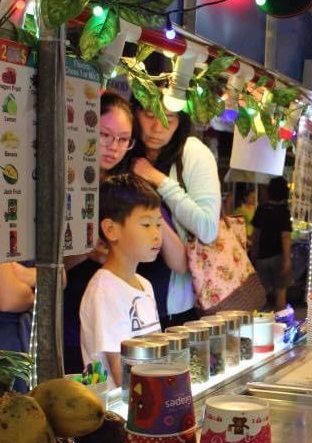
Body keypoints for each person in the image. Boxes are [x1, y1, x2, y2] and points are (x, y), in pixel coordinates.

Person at [63, 91, 185, 372]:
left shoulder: (127, 190)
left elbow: (178, 259)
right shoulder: (66, 185)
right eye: (105, 135)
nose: (113, 146)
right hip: (75, 317)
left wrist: (152, 212)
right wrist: (86, 251)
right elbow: (50, 266)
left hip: (126, 317)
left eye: (123, 139)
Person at [130, 100, 221, 329]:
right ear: (135, 113)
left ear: (180, 121)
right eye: (150, 115)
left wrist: (159, 180)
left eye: (168, 119)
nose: (158, 127)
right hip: (129, 298)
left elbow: (207, 228)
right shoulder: (126, 149)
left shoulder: (192, 152)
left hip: (176, 307)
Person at [80, 175, 162, 389]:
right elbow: (123, 375)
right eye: (146, 224)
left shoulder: (144, 284)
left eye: (158, 224)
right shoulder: (104, 290)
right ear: (110, 229)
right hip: (121, 411)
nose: (156, 235)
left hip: (150, 399)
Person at [251, 176, 292, 312]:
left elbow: (255, 234)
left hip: (261, 258)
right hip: (278, 257)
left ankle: (263, 324)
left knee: (262, 293)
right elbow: (285, 236)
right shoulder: (284, 211)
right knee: (280, 291)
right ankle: (280, 324)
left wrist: (253, 254)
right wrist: (287, 260)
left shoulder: (261, 209)